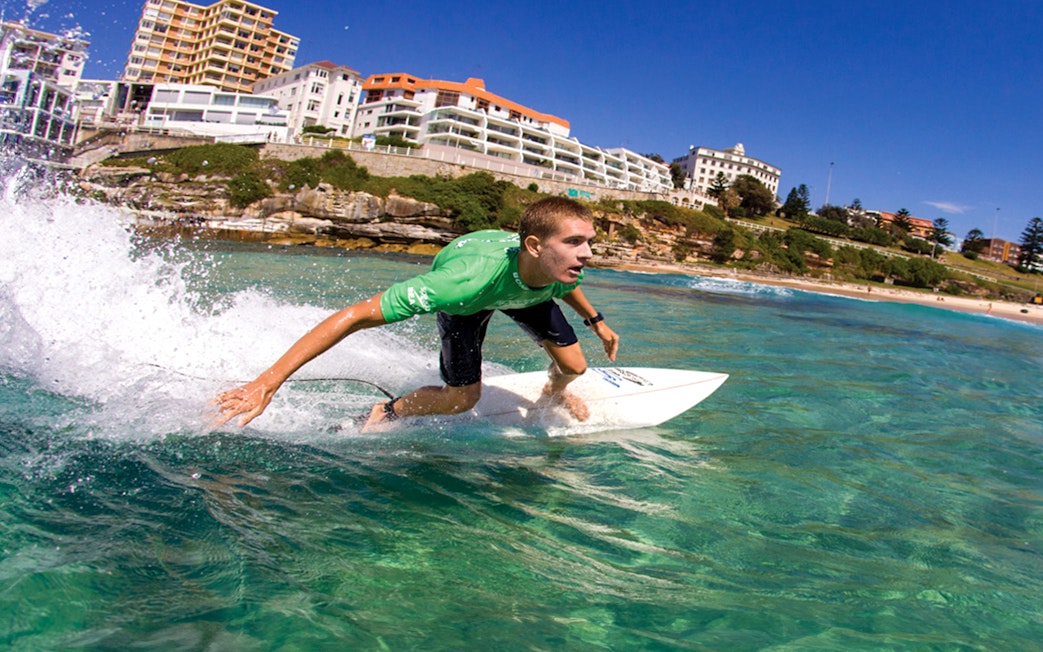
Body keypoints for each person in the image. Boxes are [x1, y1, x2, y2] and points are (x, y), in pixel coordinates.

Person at [214, 196, 620, 431]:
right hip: (470, 302)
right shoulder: (459, 284)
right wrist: (267, 383)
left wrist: (596, 322)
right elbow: (356, 315)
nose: (587, 254)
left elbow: (567, 286)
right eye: (574, 242)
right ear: (534, 246)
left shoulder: (560, 264)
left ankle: (556, 392)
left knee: (574, 365)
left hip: (523, 292)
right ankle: (387, 410)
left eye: (589, 242)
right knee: (462, 399)